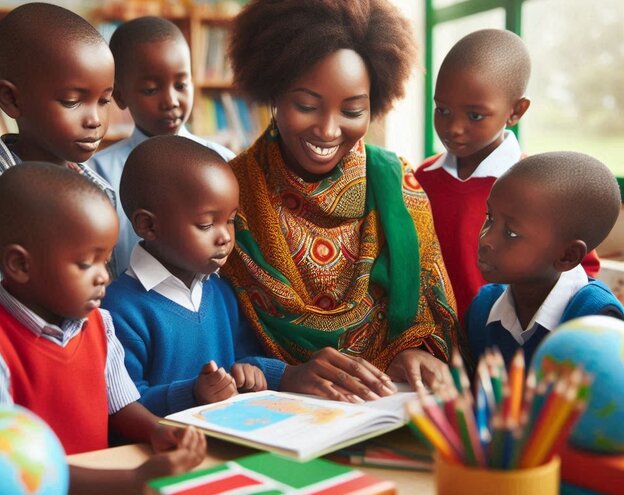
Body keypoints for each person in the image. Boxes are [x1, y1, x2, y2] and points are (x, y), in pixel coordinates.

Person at [223, 0, 462, 401]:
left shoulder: (400, 185)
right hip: (271, 414)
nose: (329, 130)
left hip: (383, 409)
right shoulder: (229, 193)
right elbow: (209, 338)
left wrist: (413, 353)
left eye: (353, 110)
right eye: (306, 106)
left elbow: (430, 317)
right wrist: (286, 373)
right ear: (274, 93)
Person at [0, 162, 206, 493]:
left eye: (106, 259)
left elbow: (120, 406)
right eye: (86, 263)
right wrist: (131, 481)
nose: (104, 276)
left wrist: (157, 430)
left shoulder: (100, 323)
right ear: (20, 265)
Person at [415, 29, 600, 323]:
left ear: (516, 111)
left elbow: (580, 271)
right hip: (432, 344)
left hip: (505, 345)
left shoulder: (538, 192)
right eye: (443, 110)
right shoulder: (420, 178)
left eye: (474, 115)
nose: (454, 128)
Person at [0, 3, 115, 329]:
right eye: (72, 101)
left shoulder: (99, 191)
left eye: (104, 100)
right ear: (12, 100)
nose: (95, 120)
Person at [102, 136, 286, 416]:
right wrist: (192, 394)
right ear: (148, 225)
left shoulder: (222, 292)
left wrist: (251, 372)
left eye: (230, 220)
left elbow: (240, 360)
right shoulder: (119, 311)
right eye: (206, 224)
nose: (225, 237)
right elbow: (121, 407)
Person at [88, 16, 235, 276]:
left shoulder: (225, 162)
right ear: (120, 96)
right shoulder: (97, 175)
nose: (171, 100)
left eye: (181, 85)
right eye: (151, 89)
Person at [467, 152, 624, 367]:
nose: (486, 240)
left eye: (511, 233)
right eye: (489, 218)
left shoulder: (597, 318)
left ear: (567, 256)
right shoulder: (484, 306)